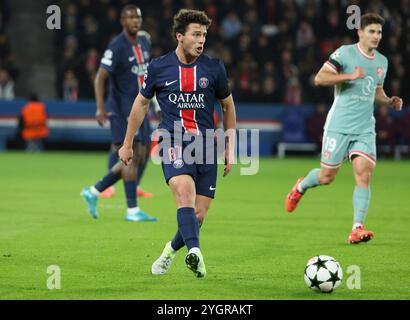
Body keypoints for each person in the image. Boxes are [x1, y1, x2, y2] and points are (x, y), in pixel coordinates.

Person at [119, 9, 237, 278]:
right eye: (196, 34)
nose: (201, 40)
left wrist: (230, 146)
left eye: (204, 35)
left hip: (207, 145)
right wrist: (127, 143)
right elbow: (141, 103)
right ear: (179, 36)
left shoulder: (214, 67)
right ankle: (195, 252)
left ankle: (169, 253)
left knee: (198, 216)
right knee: (184, 193)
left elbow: (227, 105)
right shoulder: (160, 67)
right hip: (172, 140)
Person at [285, 13, 403, 244]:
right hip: (339, 125)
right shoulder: (345, 53)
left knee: (364, 174)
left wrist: (389, 101)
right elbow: (319, 78)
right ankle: (301, 185)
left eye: (379, 32)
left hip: (364, 128)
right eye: (371, 31)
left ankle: (357, 228)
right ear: (360, 32)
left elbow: (375, 92)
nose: (376, 36)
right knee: (327, 176)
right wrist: (350, 75)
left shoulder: (382, 62)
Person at [81, 5, 158, 222]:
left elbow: (147, 75)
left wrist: (155, 102)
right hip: (122, 108)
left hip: (141, 107)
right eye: (131, 17)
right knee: (130, 156)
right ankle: (132, 211)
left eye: (138, 17)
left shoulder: (143, 43)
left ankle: (94, 191)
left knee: (142, 155)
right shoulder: (116, 46)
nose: (136, 21)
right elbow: (100, 77)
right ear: (123, 20)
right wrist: (100, 107)